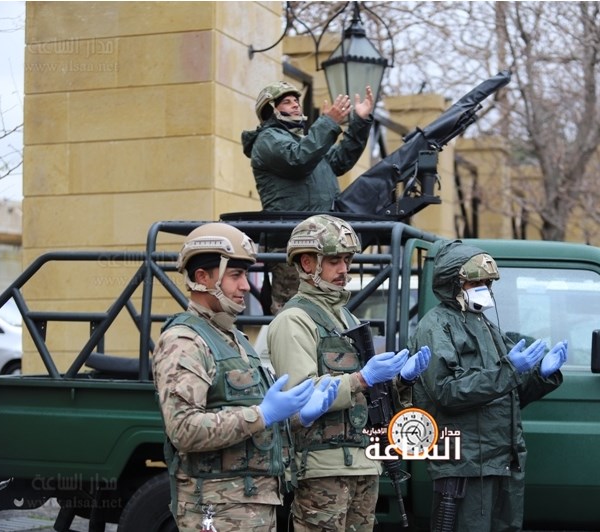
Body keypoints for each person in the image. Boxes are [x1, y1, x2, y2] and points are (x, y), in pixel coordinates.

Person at [153, 222, 340, 532]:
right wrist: (262, 414)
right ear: (203, 277)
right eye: (236, 275)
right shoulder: (185, 341)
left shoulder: (236, 340)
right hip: (216, 509)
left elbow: (257, 423)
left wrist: (297, 417)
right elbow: (184, 429)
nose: (245, 286)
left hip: (250, 506)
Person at [267, 214, 431, 532]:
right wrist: (362, 378)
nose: (344, 269)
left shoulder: (344, 316)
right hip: (322, 467)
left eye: (347, 260)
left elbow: (367, 392)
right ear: (307, 263)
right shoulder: (294, 320)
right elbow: (299, 396)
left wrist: (401, 379)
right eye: (334, 261)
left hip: (362, 462)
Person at [410, 240, 568, 532]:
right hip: (466, 465)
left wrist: (541, 375)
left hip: (501, 460)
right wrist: (510, 370)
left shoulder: (485, 325)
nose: (483, 288)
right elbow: (446, 391)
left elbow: (509, 394)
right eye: (475, 283)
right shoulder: (436, 326)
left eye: (486, 282)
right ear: (453, 284)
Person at [241, 81, 376, 315]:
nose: (295, 105)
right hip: (291, 246)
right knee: (293, 312)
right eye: (287, 102)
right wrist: (328, 123)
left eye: (296, 100)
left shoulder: (306, 141)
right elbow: (298, 159)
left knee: (324, 311)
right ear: (270, 110)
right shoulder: (267, 139)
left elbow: (339, 160)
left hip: (319, 242)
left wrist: (360, 122)